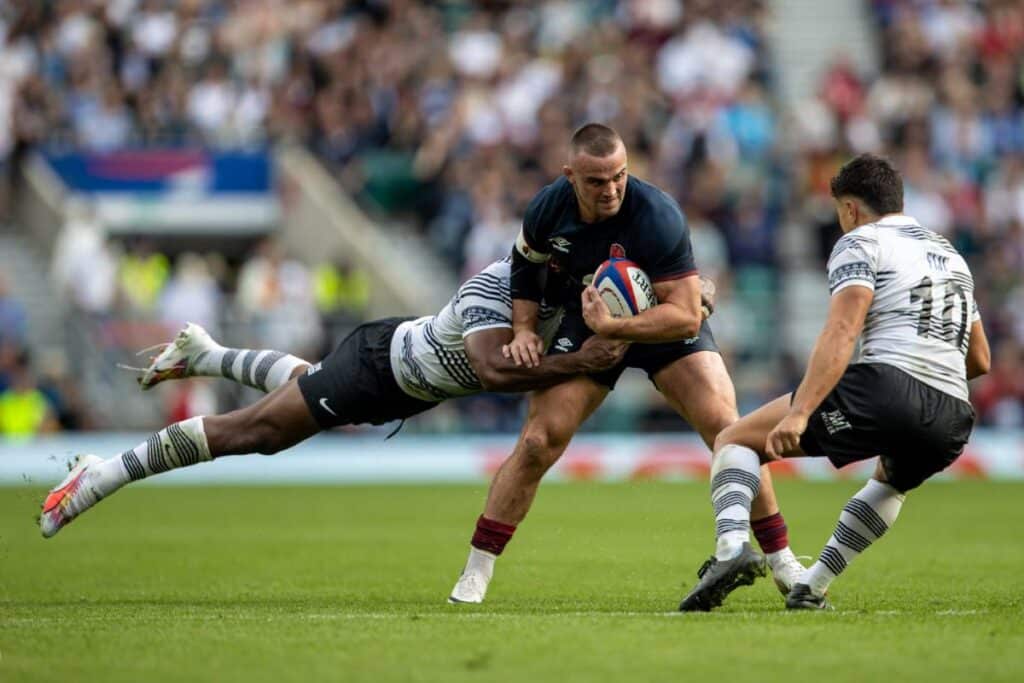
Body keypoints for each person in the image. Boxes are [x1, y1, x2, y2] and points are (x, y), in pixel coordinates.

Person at [447, 123, 805, 604]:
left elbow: (684, 315)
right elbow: (525, 266)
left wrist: (616, 329)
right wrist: (526, 328)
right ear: (570, 175)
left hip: (660, 323)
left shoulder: (657, 213)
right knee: (537, 440)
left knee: (728, 428)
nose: (611, 188)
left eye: (618, 175)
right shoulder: (547, 207)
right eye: (596, 181)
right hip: (590, 320)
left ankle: (784, 563)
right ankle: (477, 569)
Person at [39, 258, 627, 538]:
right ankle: (102, 473)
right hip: (376, 370)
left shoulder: (560, 294)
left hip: (395, 377)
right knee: (258, 434)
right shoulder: (494, 287)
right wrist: (581, 361)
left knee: (299, 389)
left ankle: (207, 354)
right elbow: (494, 374)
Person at [678, 153, 990, 612]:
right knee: (889, 483)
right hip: (953, 414)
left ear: (850, 209)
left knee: (735, 439)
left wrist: (802, 412)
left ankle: (730, 551)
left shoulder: (862, 240)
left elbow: (843, 329)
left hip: (887, 385)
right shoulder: (950, 256)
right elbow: (979, 358)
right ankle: (812, 586)